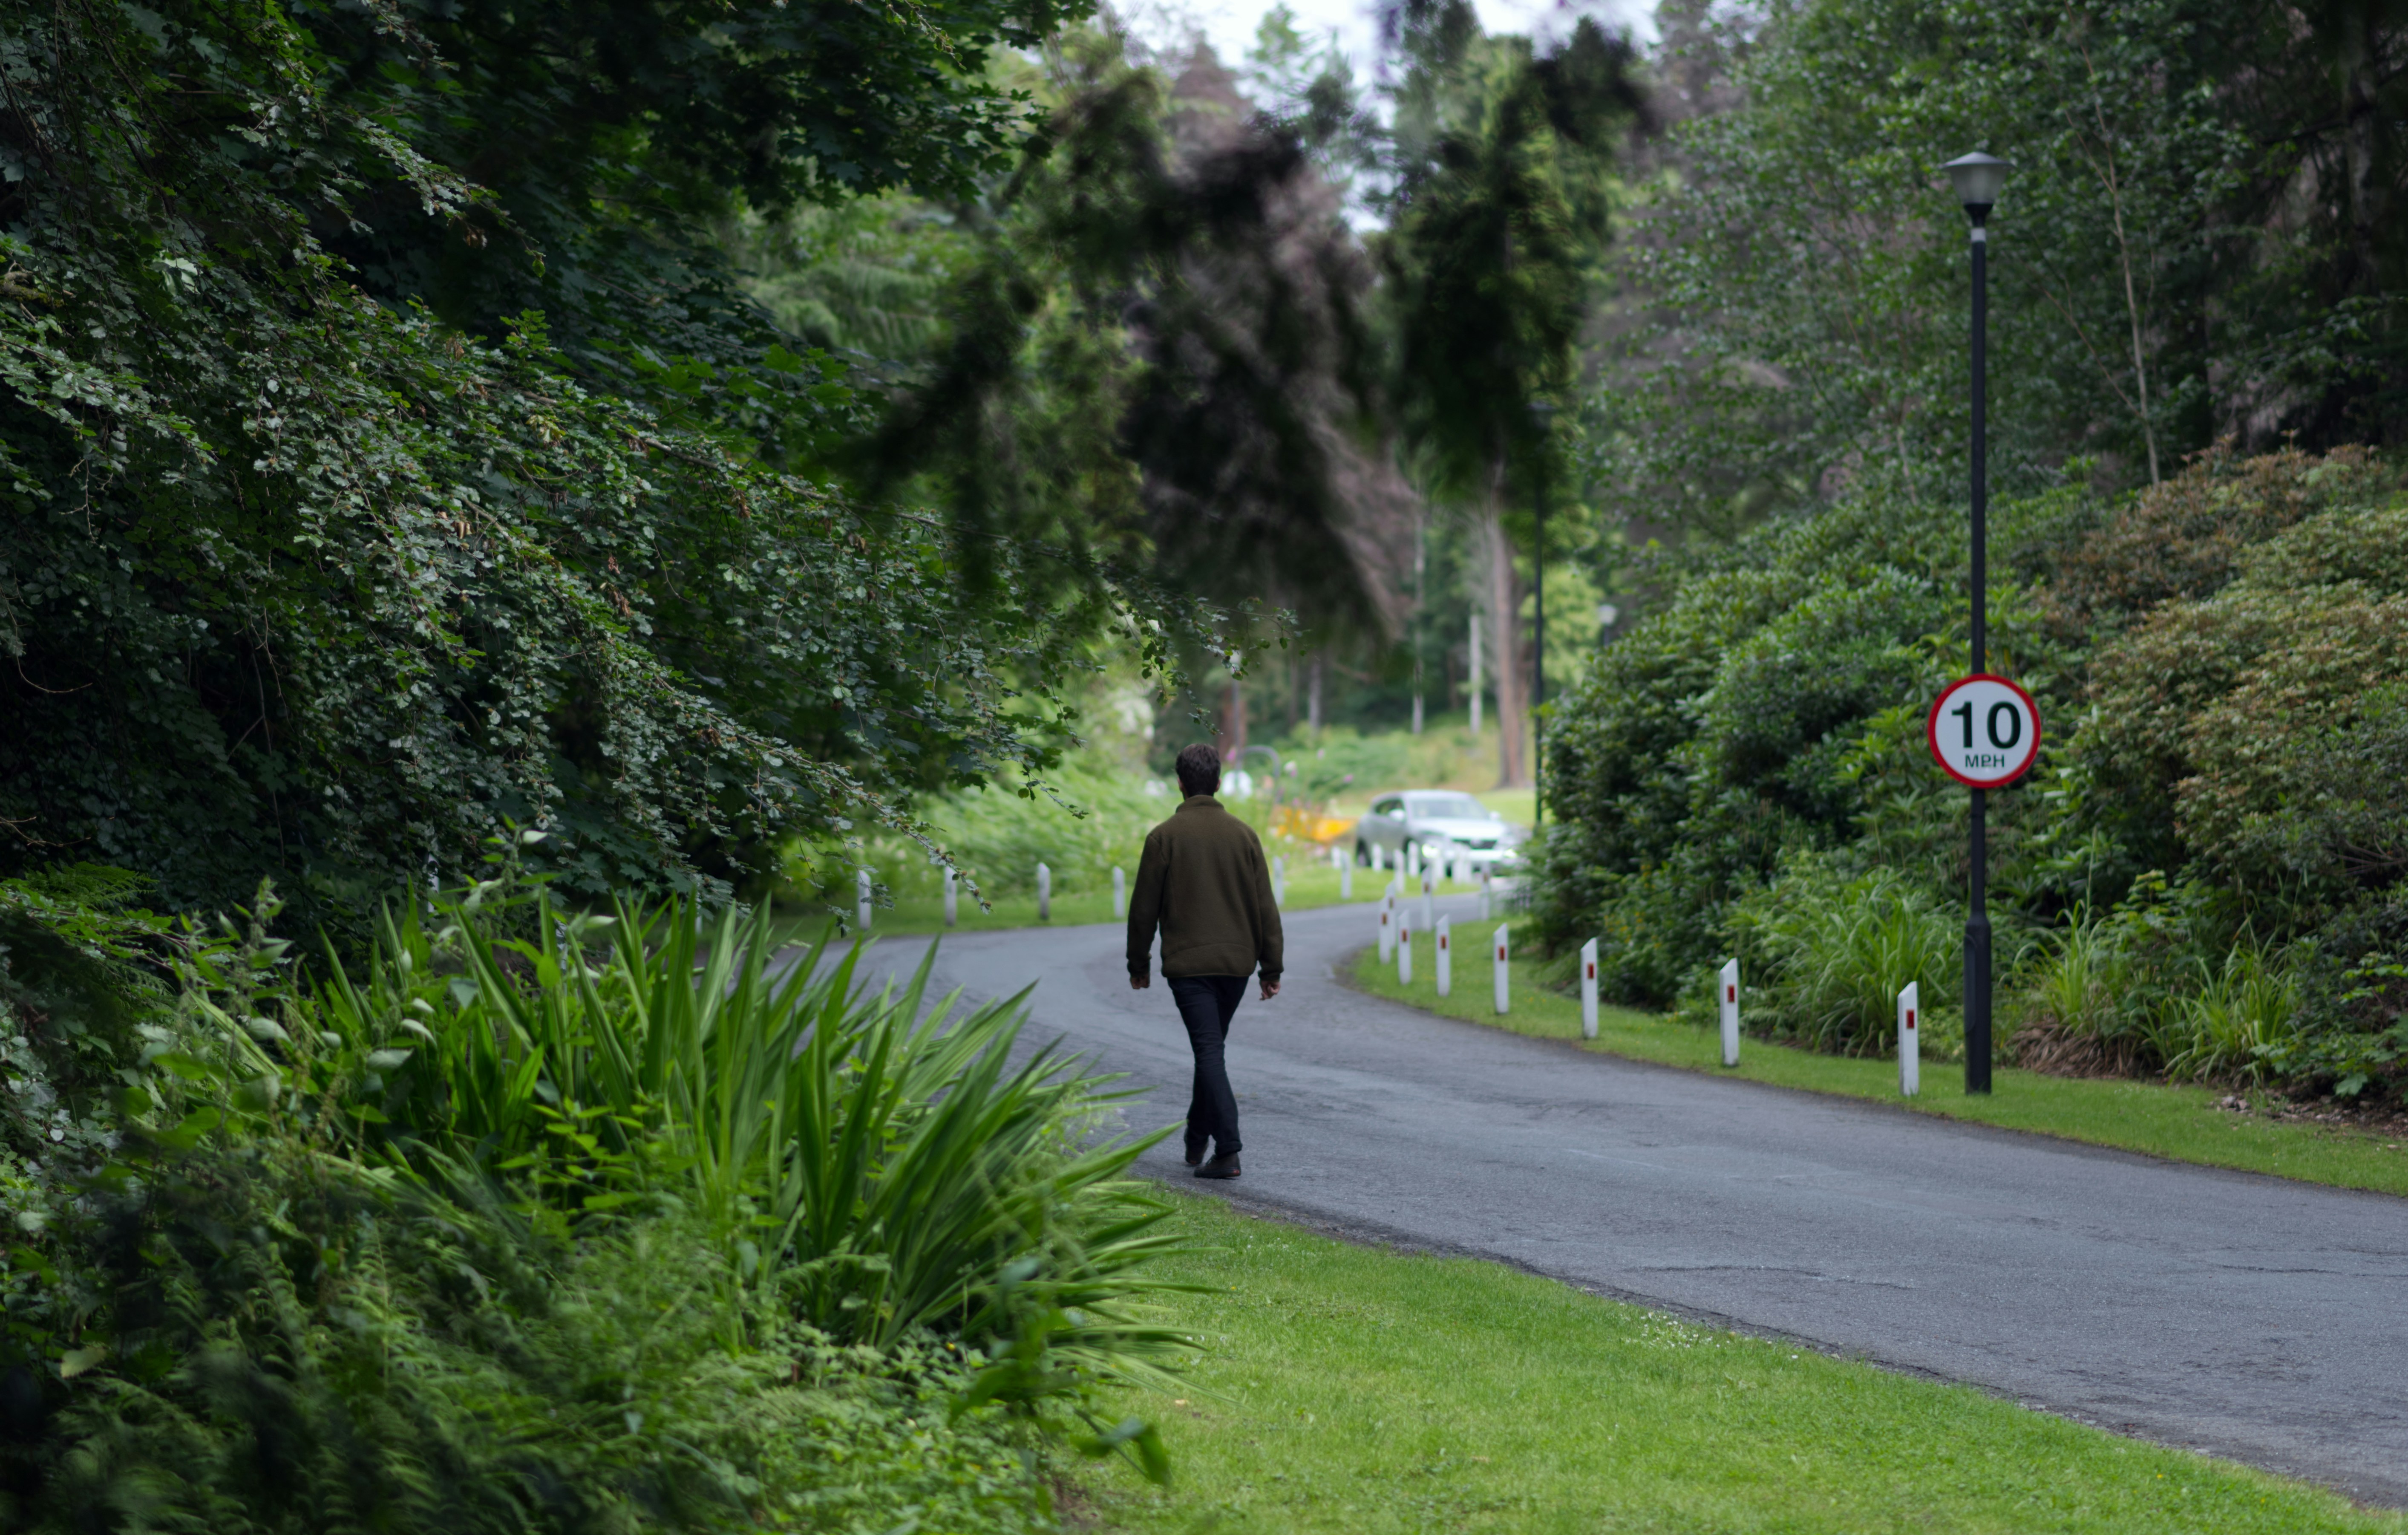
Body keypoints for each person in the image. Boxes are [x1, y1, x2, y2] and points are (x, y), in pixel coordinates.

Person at [1126, 742, 1283, 1180]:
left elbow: (1144, 909)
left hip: (1189, 967)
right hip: (1237, 965)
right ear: (1218, 782)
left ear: (1180, 782)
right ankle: (1197, 1138)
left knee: (1209, 1049)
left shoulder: (1163, 837)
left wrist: (1138, 964)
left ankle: (1228, 1150)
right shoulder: (1244, 834)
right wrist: (1271, 968)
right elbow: (1265, 906)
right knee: (1210, 1048)